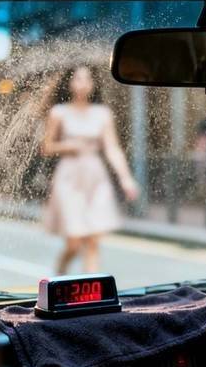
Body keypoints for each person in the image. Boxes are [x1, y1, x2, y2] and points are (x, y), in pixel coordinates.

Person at [41, 66, 139, 274]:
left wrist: (126, 178)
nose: (83, 83)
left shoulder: (102, 113)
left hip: (96, 176)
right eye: (78, 78)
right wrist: (69, 146)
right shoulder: (58, 112)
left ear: (94, 83)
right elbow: (47, 147)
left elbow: (112, 148)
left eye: (87, 79)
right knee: (74, 242)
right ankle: (58, 277)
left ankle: (91, 297)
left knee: (93, 240)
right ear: (69, 83)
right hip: (69, 177)